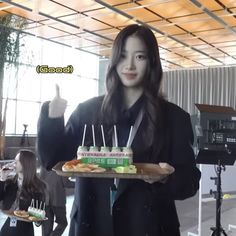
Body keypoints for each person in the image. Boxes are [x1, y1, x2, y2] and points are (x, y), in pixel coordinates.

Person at [37, 24, 201, 236]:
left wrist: (165, 178)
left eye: (139, 56)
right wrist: (52, 118)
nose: (129, 65)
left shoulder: (174, 118)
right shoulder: (87, 111)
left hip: (149, 227)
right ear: (114, 60)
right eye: (123, 56)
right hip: (91, 224)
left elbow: (190, 182)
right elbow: (52, 160)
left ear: (152, 62)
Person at [0, 149, 47, 236]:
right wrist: (2, 179)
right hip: (8, 227)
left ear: (26, 164)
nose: (14, 163)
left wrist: (38, 219)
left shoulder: (39, 187)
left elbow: (39, 214)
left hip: (25, 230)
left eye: (17, 161)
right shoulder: (10, 182)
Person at [40, 166, 74, 236]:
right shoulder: (61, 166)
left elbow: (40, 180)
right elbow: (66, 183)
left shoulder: (44, 165)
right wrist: (78, 184)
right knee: (63, 223)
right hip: (58, 200)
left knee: (46, 227)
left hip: (46, 200)